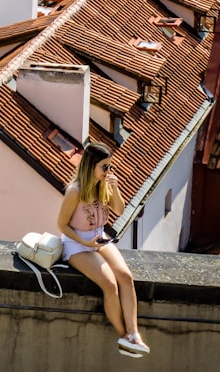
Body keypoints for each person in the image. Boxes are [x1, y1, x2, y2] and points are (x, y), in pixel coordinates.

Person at [57, 142, 150, 358]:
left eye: (110, 166)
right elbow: (61, 225)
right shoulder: (75, 191)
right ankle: (124, 336)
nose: (109, 171)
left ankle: (134, 333)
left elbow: (119, 209)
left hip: (99, 237)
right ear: (91, 166)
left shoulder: (103, 186)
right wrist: (87, 244)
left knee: (125, 277)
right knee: (109, 284)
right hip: (76, 243)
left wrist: (115, 187)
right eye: (105, 167)